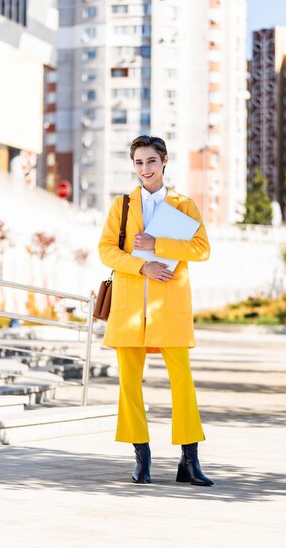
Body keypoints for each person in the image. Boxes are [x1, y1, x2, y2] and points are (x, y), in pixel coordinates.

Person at [98, 135, 213, 486]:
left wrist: (158, 244)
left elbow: (201, 249)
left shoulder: (183, 204)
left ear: (164, 161)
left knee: (183, 383)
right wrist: (141, 265)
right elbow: (105, 251)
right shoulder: (123, 206)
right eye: (138, 162)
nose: (144, 169)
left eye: (150, 161)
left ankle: (189, 461)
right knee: (129, 384)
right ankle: (142, 457)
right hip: (129, 309)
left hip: (170, 309)